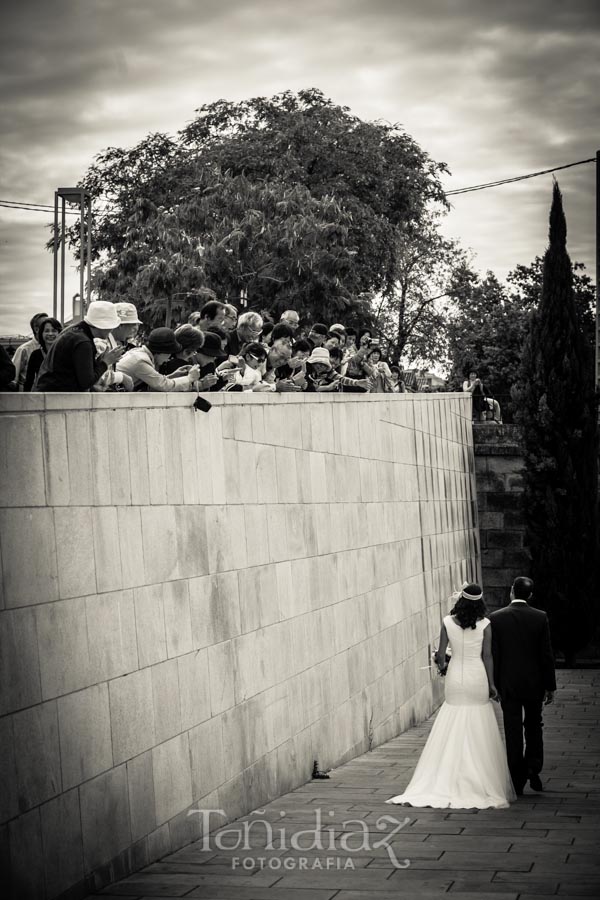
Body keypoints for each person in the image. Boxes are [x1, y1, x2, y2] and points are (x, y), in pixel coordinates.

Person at [387, 583, 516, 809]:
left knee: (453, 717)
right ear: (480, 602)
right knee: (477, 721)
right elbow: (488, 657)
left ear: (461, 600)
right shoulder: (486, 624)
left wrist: (440, 662)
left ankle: (444, 776)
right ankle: (478, 778)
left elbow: (441, 656)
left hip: (456, 677)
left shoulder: (447, 622)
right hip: (477, 676)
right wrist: (492, 683)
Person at [490, 577, 556, 795]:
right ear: (530, 595)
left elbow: (495, 655)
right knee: (534, 725)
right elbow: (546, 655)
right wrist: (550, 686)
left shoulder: (497, 618)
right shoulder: (540, 617)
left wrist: (495, 684)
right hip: (533, 684)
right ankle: (533, 766)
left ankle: (516, 777)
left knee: (513, 729)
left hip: (508, 683)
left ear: (511, 592)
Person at [36, 301, 123, 391]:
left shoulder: (74, 332)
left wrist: (98, 362)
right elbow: (86, 382)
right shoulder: (83, 342)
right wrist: (105, 362)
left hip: (49, 393)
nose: (112, 330)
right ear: (103, 326)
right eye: (111, 326)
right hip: (57, 397)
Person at [116, 327, 199, 391]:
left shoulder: (138, 354)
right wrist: (190, 378)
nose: (168, 359)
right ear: (161, 352)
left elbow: (156, 382)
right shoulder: (141, 361)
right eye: (169, 354)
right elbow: (164, 385)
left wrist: (173, 376)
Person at [10, 312, 48, 390]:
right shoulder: (24, 349)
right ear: (37, 329)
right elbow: (13, 377)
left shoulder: (53, 348)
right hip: (27, 393)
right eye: (45, 326)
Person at [24, 317, 63, 391]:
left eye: (54, 331)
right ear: (41, 333)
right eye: (46, 331)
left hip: (60, 396)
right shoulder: (35, 355)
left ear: (59, 333)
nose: (50, 334)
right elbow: (29, 381)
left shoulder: (65, 354)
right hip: (40, 395)